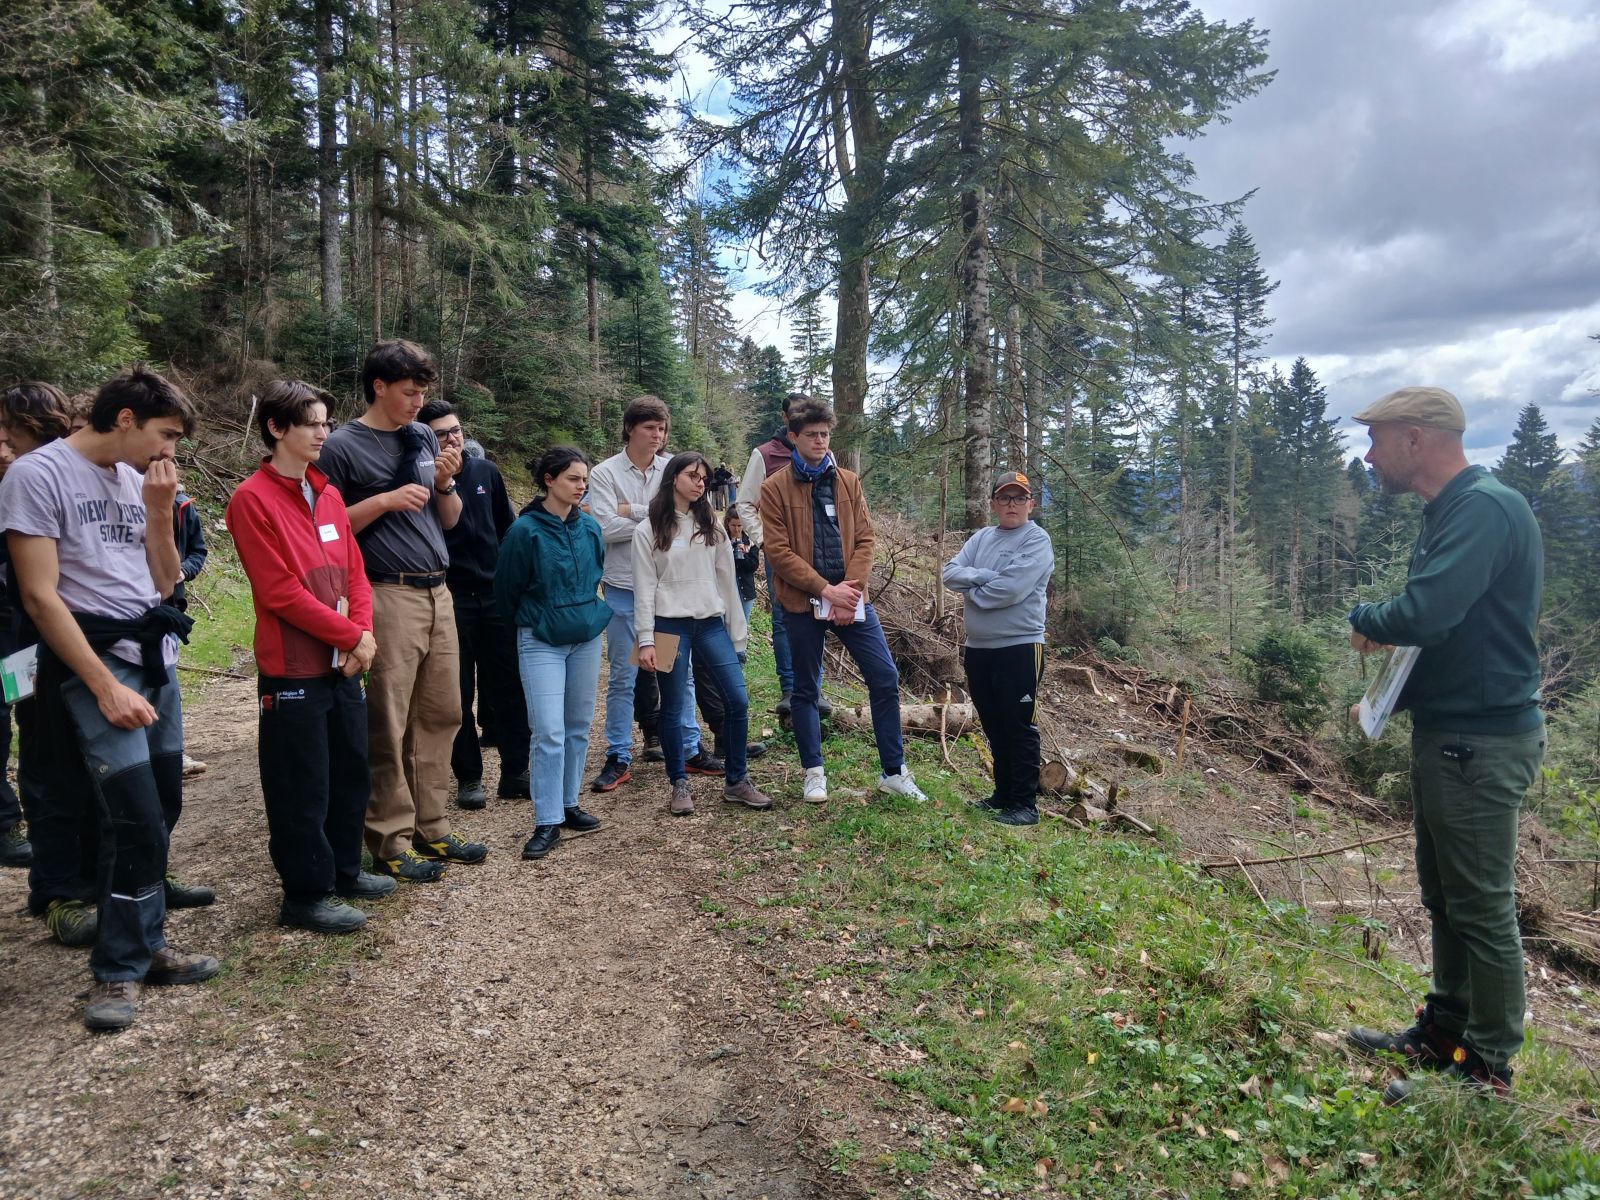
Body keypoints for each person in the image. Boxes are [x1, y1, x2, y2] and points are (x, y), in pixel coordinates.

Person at [2, 368, 221, 1030]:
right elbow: (40, 596)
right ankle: (117, 971)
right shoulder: (37, 476)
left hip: (154, 658)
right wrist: (100, 684)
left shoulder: (137, 480)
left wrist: (160, 511)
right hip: (92, 666)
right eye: (166, 436)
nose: (170, 454)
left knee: (162, 808)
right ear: (125, 419)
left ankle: (148, 943)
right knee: (131, 813)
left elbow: (164, 583)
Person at [1342, 387, 1544, 1102]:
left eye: (1378, 439)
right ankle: (1445, 1029)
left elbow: (1427, 610)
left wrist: (1368, 617)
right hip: (1452, 734)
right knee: (1446, 895)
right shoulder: (1453, 511)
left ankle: (1487, 1069)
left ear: (1417, 439)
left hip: (1481, 740)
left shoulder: (1484, 508)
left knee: (1481, 903)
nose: (1370, 455)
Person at [226, 380, 396, 934]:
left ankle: (345, 871)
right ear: (278, 429)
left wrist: (360, 633)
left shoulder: (326, 493)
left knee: (349, 771)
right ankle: (305, 893)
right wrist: (352, 636)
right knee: (301, 783)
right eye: (313, 423)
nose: (325, 432)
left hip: (344, 664)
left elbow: (355, 571)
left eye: (326, 422)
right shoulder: (252, 499)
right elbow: (278, 592)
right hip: (293, 668)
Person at [318, 339, 487, 881]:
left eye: (423, 394)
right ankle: (389, 839)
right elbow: (324, 528)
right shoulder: (342, 446)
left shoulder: (419, 437)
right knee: (388, 720)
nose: (419, 404)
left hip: (440, 590)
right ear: (380, 386)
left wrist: (443, 482)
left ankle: (432, 827)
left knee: (443, 713)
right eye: (410, 393)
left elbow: (450, 519)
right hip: (386, 591)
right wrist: (385, 501)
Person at [761, 399, 925, 804]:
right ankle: (813, 772)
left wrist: (849, 590)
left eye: (825, 434)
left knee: (885, 677)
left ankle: (894, 772)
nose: (820, 441)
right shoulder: (774, 488)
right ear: (794, 437)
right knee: (805, 688)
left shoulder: (848, 481)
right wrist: (824, 589)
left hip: (852, 599)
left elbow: (866, 538)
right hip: (803, 603)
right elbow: (778, 552)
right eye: (812, 434)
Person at [586, 396, 720, 791]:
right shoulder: (606, 472)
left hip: (669, 593)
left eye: (662, 429)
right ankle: (618, 755)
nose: (657, 436)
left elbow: (695, 516)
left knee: (679, 673)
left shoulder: (674, 467)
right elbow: (605, 528)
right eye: (650, 428)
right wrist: (658, 515)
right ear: (630, 428)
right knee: (625, 674)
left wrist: (631, 510)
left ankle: (691, 747)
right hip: (626, 588)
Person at [0, 383, 94, 939]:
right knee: (44, 751)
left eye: (9, 427)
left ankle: (97, 872)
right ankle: (55, 889)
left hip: (69, 635)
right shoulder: (22, 478)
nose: (3, 440)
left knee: (85, 758)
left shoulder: (54, 473)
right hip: (22, 642)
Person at [634, 453, 772, 816]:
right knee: (674, 706)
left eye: (704, 478)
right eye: (693, 476)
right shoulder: (648, 529)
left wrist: (736, 632)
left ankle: (737, 780)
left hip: (710, 623)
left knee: (738, 700)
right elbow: (644, 588)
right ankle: (678, 781)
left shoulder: (712, 524)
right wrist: (645, 639)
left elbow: (727, 580)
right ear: (673, 477)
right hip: (667, 626)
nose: (700, 483)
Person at [493, 447, 610, 860]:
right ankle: (546, 820)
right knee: (548, 730)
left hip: (585, 635)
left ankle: (568, 803)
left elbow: (595, 573)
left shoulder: (591, 529)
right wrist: (529, 623)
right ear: (549, 480)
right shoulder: (525, 531)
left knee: (578, 724)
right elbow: (505, 590)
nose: (582, 486)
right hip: (541, 637)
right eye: (573, 479)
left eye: (584, 480)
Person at [420, 399, 531, 810]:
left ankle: (516, 771)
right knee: (457, 691)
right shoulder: (421, 479)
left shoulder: (486, 471)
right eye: (440, 433)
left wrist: (515, 582)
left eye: (456, 430)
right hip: (449, 597)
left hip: (495, 595)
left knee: (509, 686)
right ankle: (468, 777)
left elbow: (508, 529)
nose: (452, 438)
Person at [942, 471, 1055, 827]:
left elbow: (1009, 591)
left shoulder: (1037, 541)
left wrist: (974, 583)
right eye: (1005, 498)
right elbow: (949, 573)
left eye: (1019, 498)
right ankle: (1002, 794)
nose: (1012, 504)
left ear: (1031, 504)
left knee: (1018, 725)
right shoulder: (981, 538)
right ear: (993, 504)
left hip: (1020, 647)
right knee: (992, 723)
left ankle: (1024, 804)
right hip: (979, 648)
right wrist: (985, 576)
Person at [737, 394, 828, 721]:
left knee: (820, 615)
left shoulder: (823, 452)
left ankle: (815, 685)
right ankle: (791, 688)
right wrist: (765, 541)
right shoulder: (765, 454)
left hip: (819, 553)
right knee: (785, 617)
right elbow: (745, 503)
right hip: (781, 554)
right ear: (786, 418)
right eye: (796, 415)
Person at [0, 422, 33, 869]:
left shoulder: (20, 490)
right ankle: (6, 823)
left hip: (17, 631)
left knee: (24, 715)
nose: (6, 452)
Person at [727, 512, 759, 628]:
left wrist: (744, 554)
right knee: (726, 626)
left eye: (739, 526)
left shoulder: (751, 541)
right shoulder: (722, 540)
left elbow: (754, 566)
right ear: (728, 524)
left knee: (742, 625)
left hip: (746, 589)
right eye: (733, 525)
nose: (736, 529)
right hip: (727, 589)